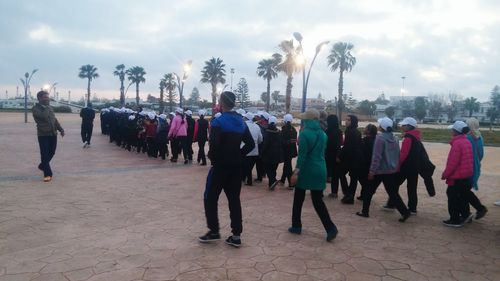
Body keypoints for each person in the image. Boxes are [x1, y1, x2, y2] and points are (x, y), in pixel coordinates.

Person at [199, 91, 254, 248]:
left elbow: (214, 146)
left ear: (221, 103)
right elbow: (250, 144)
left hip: (220, 167)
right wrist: (239, 155)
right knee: (234, 200)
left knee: (210, 197)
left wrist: (214, 160)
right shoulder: (241, 122)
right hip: (236, 167)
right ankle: (236, 235)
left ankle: (214, 231)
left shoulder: (218, 122)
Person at [288, 109, 338, 242]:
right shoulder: (323, 134)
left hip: (306, 170)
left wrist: (296, 172)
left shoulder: (304, 134)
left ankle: (296, 226)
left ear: (309, 120)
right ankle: (330, 228)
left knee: (298, 199)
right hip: (320, 168)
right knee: (318, 201)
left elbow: (302, 156)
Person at [356, 117, 411, 222]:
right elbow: (397, 154)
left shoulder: (380, 139)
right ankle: (405, 212)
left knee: (368, 190)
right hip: (391, 170)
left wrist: (372, 171)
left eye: (380, 125)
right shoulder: (395, 138)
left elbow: (376, 156)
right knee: (393, 193)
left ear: (382, 127)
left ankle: (365, 212)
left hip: (379, 170)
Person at [385, 117, 421, 213]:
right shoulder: (416, 137)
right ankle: (413, 208)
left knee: (394, 185)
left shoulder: (408, 138)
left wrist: (398, 165)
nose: (402, 126)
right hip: (414, 166)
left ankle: (391, 203)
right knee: (412, 187)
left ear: (409, 126)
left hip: (406, 166)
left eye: (404, 125)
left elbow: (403, 154)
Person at [442, 121, 474, 227]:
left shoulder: (457, 143)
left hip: (457, 176)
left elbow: (453, 162)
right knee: (462, 196)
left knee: (452, 197)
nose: (451, 131)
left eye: (452, 129)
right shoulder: (467, 141)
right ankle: (465, 215)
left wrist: (445, 174)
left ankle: (455, 220)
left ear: (456, 131)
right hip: (466, 175)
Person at [32, 90, 65, 182]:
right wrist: (47, 107)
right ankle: (47, 174)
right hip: (43, 135)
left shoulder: (49, 108)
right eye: (45, 97)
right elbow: (44, 117)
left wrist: (61, 129)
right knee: (44, 154)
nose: (47, 99)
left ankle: (42, 165)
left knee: (52, 152)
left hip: (53, 134)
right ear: (39, 98)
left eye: (48, 97)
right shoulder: (35, 109)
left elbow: (54, 120)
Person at [465, 118, 488, 220]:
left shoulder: (468, 138)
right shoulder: (480, 137)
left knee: (463, 191)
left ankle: (478, 209)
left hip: (467, 167)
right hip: (476, 167)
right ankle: (468, 213)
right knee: (465, 190)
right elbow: (481, 154)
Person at [338, 115, 363, 204]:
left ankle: (348, 194)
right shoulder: (356, 131)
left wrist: (340, 156)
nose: (346, 121)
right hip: (356, 158)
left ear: (353, 121)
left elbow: (347, 146)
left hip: (350, 158)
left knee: (341, 173)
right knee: (353, 178)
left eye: (349, 120)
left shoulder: (350, 131)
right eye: (346, 119)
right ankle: (350, 195)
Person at [325, 114, 346, 198]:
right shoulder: (339, 131)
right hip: (336, 155)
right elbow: (340, 144)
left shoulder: (327, 131)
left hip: (327, 154)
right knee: (335, 175)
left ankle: (319, 191)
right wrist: (338, 155)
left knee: (325, 173)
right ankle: (334, 192)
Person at [261, 116, 283, 190]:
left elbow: (265, 144)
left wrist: (261, 153)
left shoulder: (267, 132)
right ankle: (271, 184)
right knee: (273, 169)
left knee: (268, 169)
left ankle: (273, 180)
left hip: (268, 155)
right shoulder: (279, 132)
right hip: (277, 155)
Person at [357, 124, 378, 201]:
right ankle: (363, 194)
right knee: (367, 180)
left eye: (365, 128)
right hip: (372, 162)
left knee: (363, 179)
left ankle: (367, 193)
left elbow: (361, 151)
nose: (364, 129)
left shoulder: (365, 140)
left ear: (369, 131)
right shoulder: (376, 139)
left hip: (365, 162)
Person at [242, 112, 263, 186]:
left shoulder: (243, 125)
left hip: (245, 149)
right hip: (255, 150)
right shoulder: (257, 126)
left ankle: (248, 180)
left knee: (245, 166)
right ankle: (245, 179)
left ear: (246, 118)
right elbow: (260, 139)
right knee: (249, 166)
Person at [279, 114, 298, 189]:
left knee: (288, 166)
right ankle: (282, 180)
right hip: (292, 150)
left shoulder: (284, 130)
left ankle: (291, 184)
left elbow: (282, 141)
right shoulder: (294, 129)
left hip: (285, 151)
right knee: (287, 165)